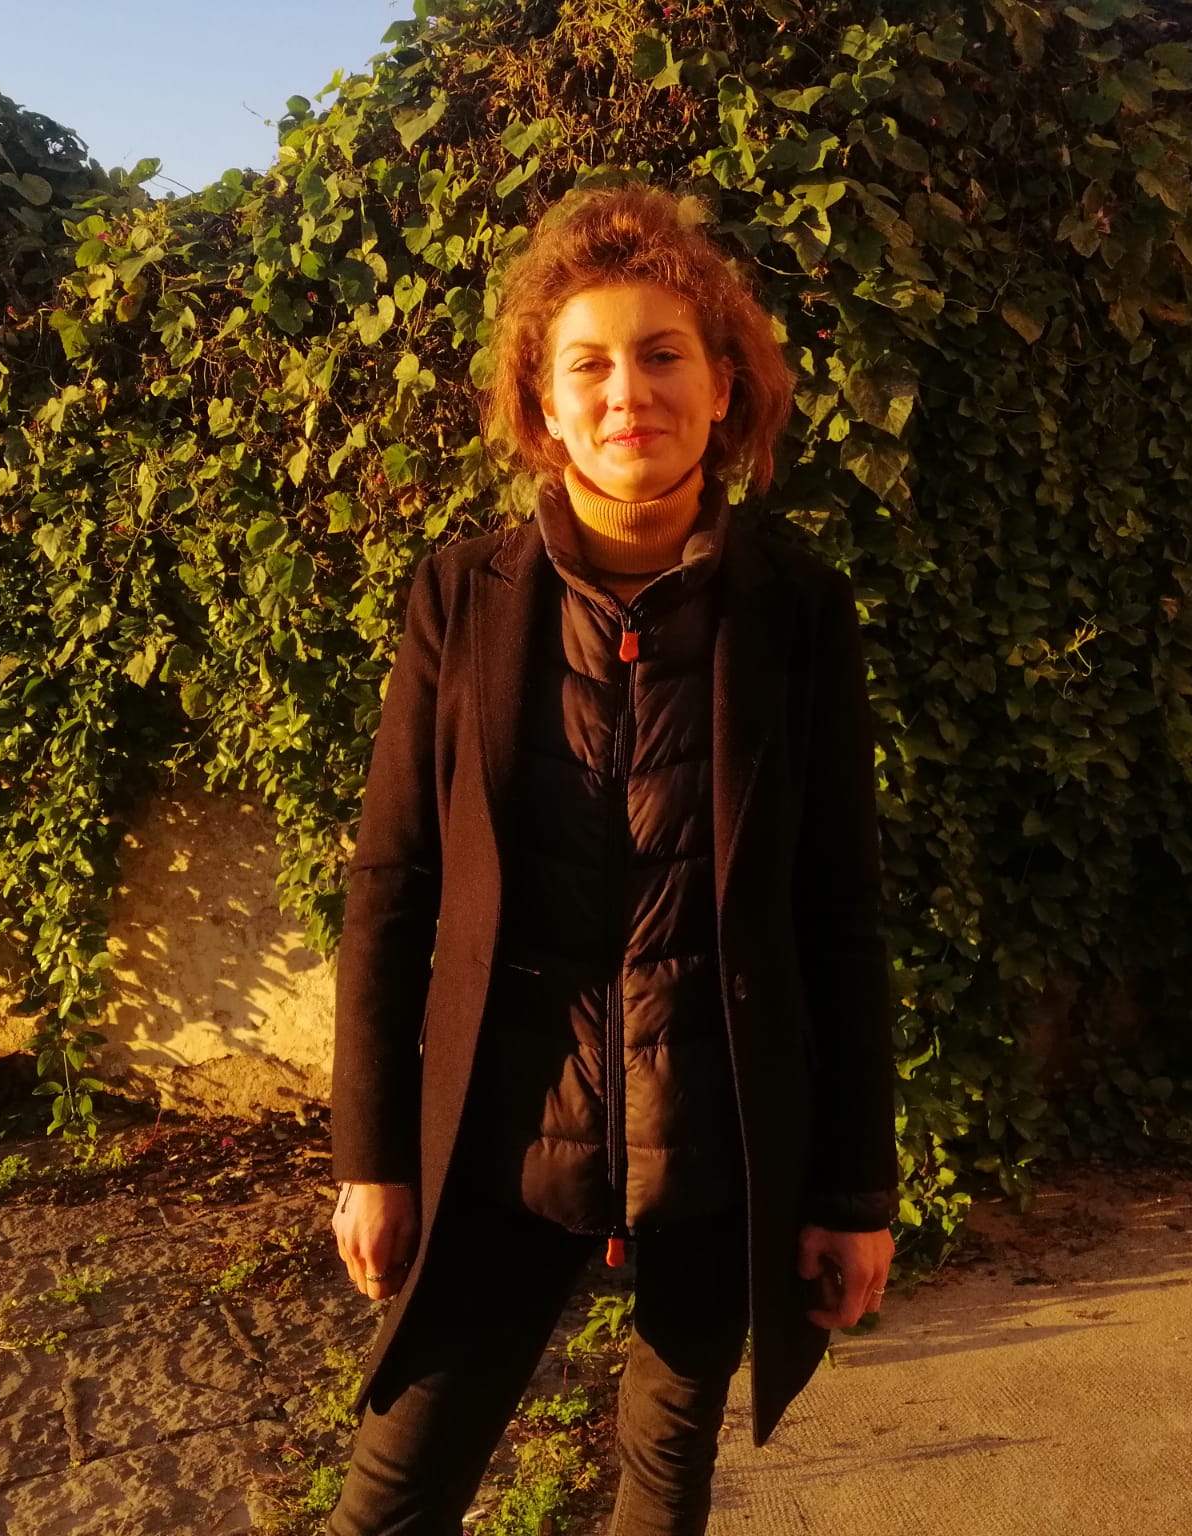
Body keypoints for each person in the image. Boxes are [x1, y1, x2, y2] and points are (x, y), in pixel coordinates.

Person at [325, 182, 899, 1535]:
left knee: (665, 1475)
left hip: (720, 1145)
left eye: (662, 354)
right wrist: (372, 1154)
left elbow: (839, 910)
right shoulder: (459, 598)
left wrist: (853, 1190)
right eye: (586, 363)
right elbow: (393, 884)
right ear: (543, 404)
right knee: (392, 1498)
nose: (627, 392)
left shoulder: (799, 612)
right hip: (501, 1140)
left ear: (723, 385)